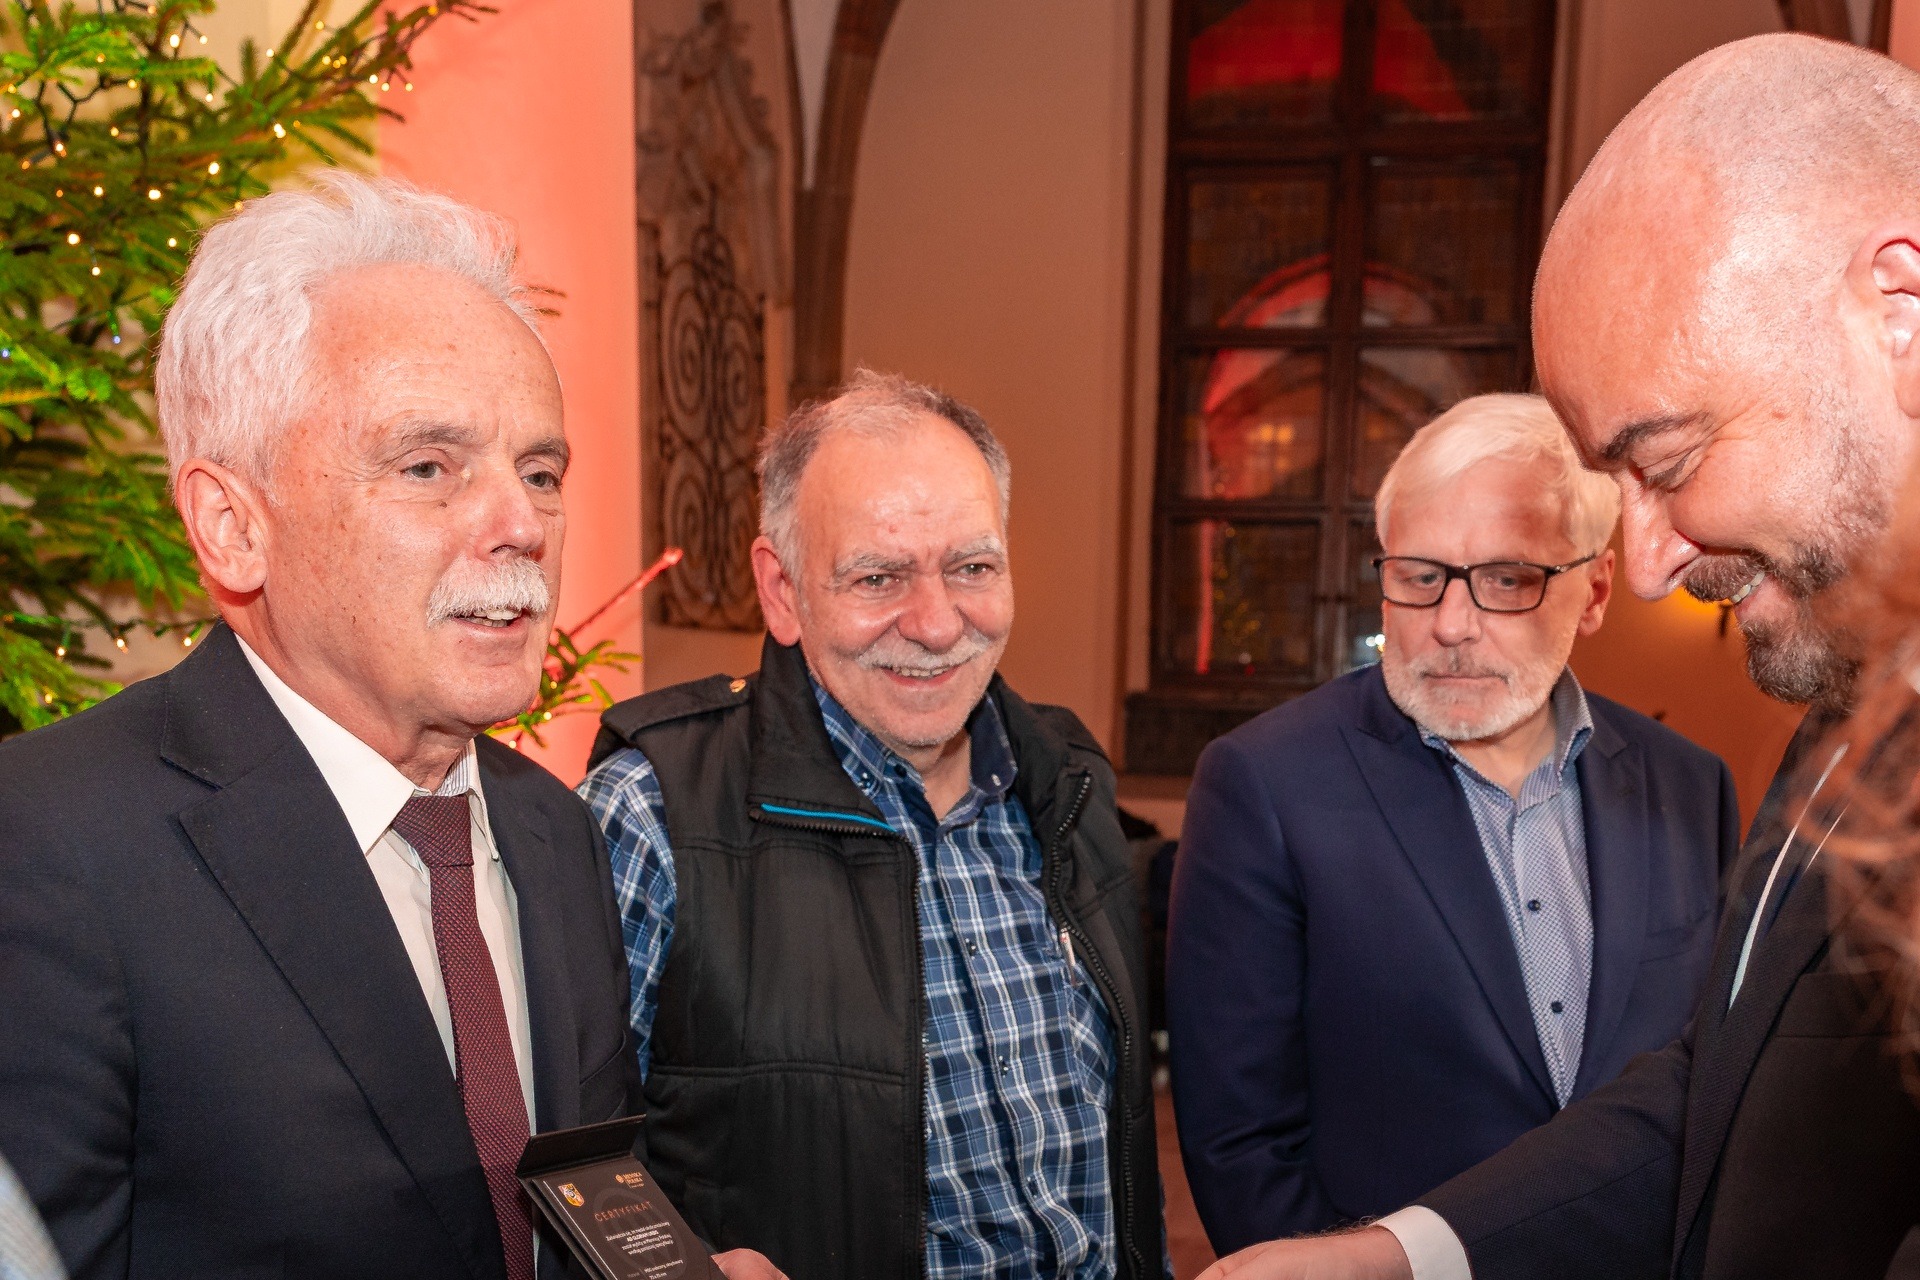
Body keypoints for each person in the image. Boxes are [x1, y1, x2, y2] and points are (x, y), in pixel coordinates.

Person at [1196, 32, 1920, 1280]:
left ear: (1898, 312)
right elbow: (1722, 1091)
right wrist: (1393, 1256)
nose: (1642, 569)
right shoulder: (1850, 701)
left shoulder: (1711, 761)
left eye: (1670, 459)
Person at [0, 174, 778, 1280]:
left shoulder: (553, 833)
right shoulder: (48, 846)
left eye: (541, 471)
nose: (522, 524)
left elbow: (587, 1207)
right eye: (427, 467)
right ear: (232, 525)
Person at [579, 370, 1165, 1280]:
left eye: (972, 568)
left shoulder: (1068, 782)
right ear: (781, 590)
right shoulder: (653, 811)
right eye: (878, 576)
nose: (935, 624)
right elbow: (570, 1157)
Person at [1168, 394, 1739, 1252]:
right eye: (1419, 576)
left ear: (1594, 592)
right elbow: (1240, 1145)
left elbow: (1712, 1078)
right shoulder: (1266, 783)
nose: (1451, 625)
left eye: (1506, 579)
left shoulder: (1690, 786)